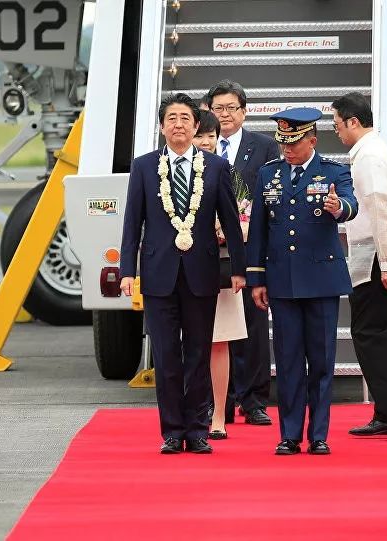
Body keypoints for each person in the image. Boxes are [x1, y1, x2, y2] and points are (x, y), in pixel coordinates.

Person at [119, 93, 245, 454]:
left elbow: (231, 222)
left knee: (198, 353)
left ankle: (197, 430)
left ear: (196, 125)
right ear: (162, 127)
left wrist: (239, 269)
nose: (178, 125)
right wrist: (127, 270)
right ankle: (172, 432)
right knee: (166, 356)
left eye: (185, 118)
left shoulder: (216, 167)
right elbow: (132, 223)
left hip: (201, 273)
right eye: (171, 118)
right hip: (158, 274)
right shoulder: (144, 167)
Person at [246, 107, 358, 455]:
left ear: (312, 140)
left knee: (322, 361)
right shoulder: (269, 174)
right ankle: (290, 434)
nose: (287, 149)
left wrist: (338, 207)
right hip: (282, 281)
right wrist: (256, 277)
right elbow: (259, 228)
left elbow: (351, 205)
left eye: (294, 143)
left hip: (321, 280)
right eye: (283, 142)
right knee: (288, 360)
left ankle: (319, 434)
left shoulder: (334, 172)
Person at [330, 92, 387, 436]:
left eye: (338, 124)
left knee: (369, 332)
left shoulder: (367, 156)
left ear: (353, 121)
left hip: (377, 256)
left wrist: (386, 263)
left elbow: (379, 209)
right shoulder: (377, 149)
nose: (336, 131)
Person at [205, 80, 278, 426]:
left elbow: (273, 194)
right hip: (208, 252)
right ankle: (220, 400)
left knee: (252, 324)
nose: (225, 115)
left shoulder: (263, 146)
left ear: (244, 112)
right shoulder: (199, 146)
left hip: (250, 250)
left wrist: (250, 227)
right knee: (216, 327)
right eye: (218, 108)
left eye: (231, 108)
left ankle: (254, 401)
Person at [192, 110, 247, 440]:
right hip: (185, 267)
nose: (206, 141)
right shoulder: (170, 170)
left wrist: (228, 234)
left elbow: (242, 218)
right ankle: (193, 411)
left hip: (221, 267)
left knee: (219, 343)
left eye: (211, 136)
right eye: (200, 135)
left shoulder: (226, 171)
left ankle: (219, 415)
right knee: (190, 345)